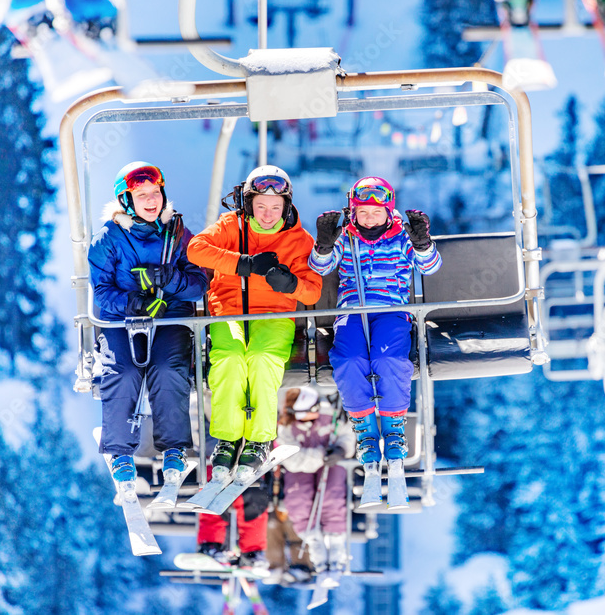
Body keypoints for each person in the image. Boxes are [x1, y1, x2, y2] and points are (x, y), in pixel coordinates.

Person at [307, 177, 441, 507]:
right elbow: (319, 268)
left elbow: (431, 267)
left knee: (387, 359)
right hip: (354, 310)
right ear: (353, 213)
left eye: (375, 213)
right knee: (349, 359)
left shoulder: (401, 238)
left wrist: (423, 243)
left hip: (393, 310)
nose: (369, 219)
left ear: (388, 211)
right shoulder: (347, 238)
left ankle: (394, 430)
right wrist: (324, 244)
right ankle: (366, 431)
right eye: (362, 213)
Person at [187, 165, 322, 485]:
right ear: (247, 204)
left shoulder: (299, 240)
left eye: (276, 208)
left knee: (262, 359)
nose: (267, 214)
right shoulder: (230, 227)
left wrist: (291, 285)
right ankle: (229, 438)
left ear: (287, 207)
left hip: (274, 316)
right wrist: (242, 264)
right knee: (230, 358)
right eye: (260, 206)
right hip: (228, 312)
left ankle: (260, 439)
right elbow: (196, 250)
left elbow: (313, 290)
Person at [87, 162, 208, 487]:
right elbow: (101, 291)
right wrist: (129, 302)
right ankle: (120, 451)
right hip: (121, 321)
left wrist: (172, 280)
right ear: (126, 201)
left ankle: (174, 448)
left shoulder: (178, 234)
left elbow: (200, 284)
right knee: (122, 371)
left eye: (155, 193)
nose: (152, 200)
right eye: (142, 195)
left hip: (170, 316)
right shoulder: (108, 240)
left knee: (169, 368)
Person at [277, 386, 355, 586]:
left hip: (331, 464)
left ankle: (336, 541)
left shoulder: (332, 415)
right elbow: (290, 457)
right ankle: (313, 541)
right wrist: (320, 456)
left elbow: (348, 435)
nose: (301, 418)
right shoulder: (286, 424)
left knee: (332, 494)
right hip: (301, 467)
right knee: (297, 498)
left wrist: (340, 450)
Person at [195, 470, 272, 574]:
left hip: (250, 472)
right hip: (218, 468)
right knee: (212, 493)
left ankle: (252, 554)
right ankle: (211, 546)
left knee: (254, 501)